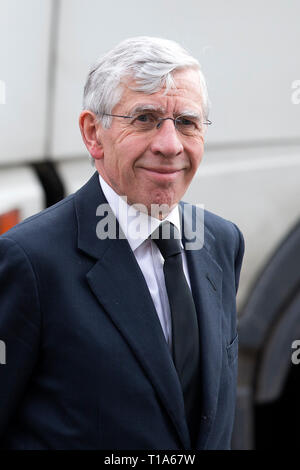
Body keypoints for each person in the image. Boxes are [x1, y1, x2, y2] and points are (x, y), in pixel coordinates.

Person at [0, 36, 244, 450]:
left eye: (187, 122)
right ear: (94, 133)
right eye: (145, 118)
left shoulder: (221, 242)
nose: (170, 145)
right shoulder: (31, 262)